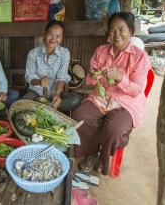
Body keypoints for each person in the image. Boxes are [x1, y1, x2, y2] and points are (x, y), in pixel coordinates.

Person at [73, 12, 151, 175]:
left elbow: (137, 89)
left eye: (121, 29)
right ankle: (91, 153)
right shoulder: (101, 50)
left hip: (126, 103)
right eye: (112, 30)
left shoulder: (140, 57)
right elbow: (90, 79)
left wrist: (121, 78)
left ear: (131, 31)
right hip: (101, 98)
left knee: (114, 128)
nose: (116, 34)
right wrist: (94, 75)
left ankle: (103, 157)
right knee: (80, 115)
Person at [23, 20, 82, 111]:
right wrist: (39, 81)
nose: (54, 39)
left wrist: (57, 95)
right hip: (36, 92)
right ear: (45, 34)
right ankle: (49, 109)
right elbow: (29, 76)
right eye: (50, 34)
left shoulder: (65, 53)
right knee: (23, 103)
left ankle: (44, 107)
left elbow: (61, 77)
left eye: (58, 36)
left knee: (76, 99)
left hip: (56, 92)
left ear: (62, 37)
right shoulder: (33, 54)